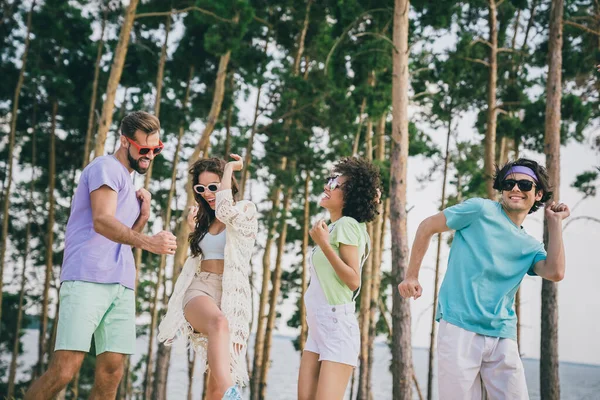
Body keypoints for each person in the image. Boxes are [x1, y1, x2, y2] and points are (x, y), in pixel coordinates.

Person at [25, 111, 178, 400]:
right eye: (144, 149)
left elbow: (122, 237)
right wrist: (150, 242)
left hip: (120, 282)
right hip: (87, 276)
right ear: (124, 141)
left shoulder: (130, 183)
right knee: (64, 371)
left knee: (111, 374)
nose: (149, 155)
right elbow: (102, 222)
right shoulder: (105, 167)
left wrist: (143, 216)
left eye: (156, 149)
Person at [398, 158, 570, 399]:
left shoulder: (530, 246)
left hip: (502, 335)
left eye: (525, 185)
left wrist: (555, 224)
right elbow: (427, 226)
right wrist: (411, 275)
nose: (516, 189)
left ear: (538, 194)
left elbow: (555, 272)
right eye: (509, 183)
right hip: (459, 328)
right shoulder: (480, 210)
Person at [158, 154, 257, 400]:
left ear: (228, 183)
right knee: (218, 323)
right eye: (200, 188)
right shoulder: (204, 220)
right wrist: (195, 230)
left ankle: (224, 391)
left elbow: (225, 209)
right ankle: (233, 394)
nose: (207, 193)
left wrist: (231, 168)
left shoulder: (245, 210)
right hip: (200, 290)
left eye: (213, 186)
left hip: (230, 297)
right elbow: (196, 259)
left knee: (213, 389)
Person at [297, 157, 381, 400]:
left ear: (351, 196)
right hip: (318, 327)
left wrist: (323, 244)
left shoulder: (347, 225)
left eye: (335, 183)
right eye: (329, 180)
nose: (327, 186)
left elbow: (353, 279)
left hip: (335, 326)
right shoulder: (335, 227)